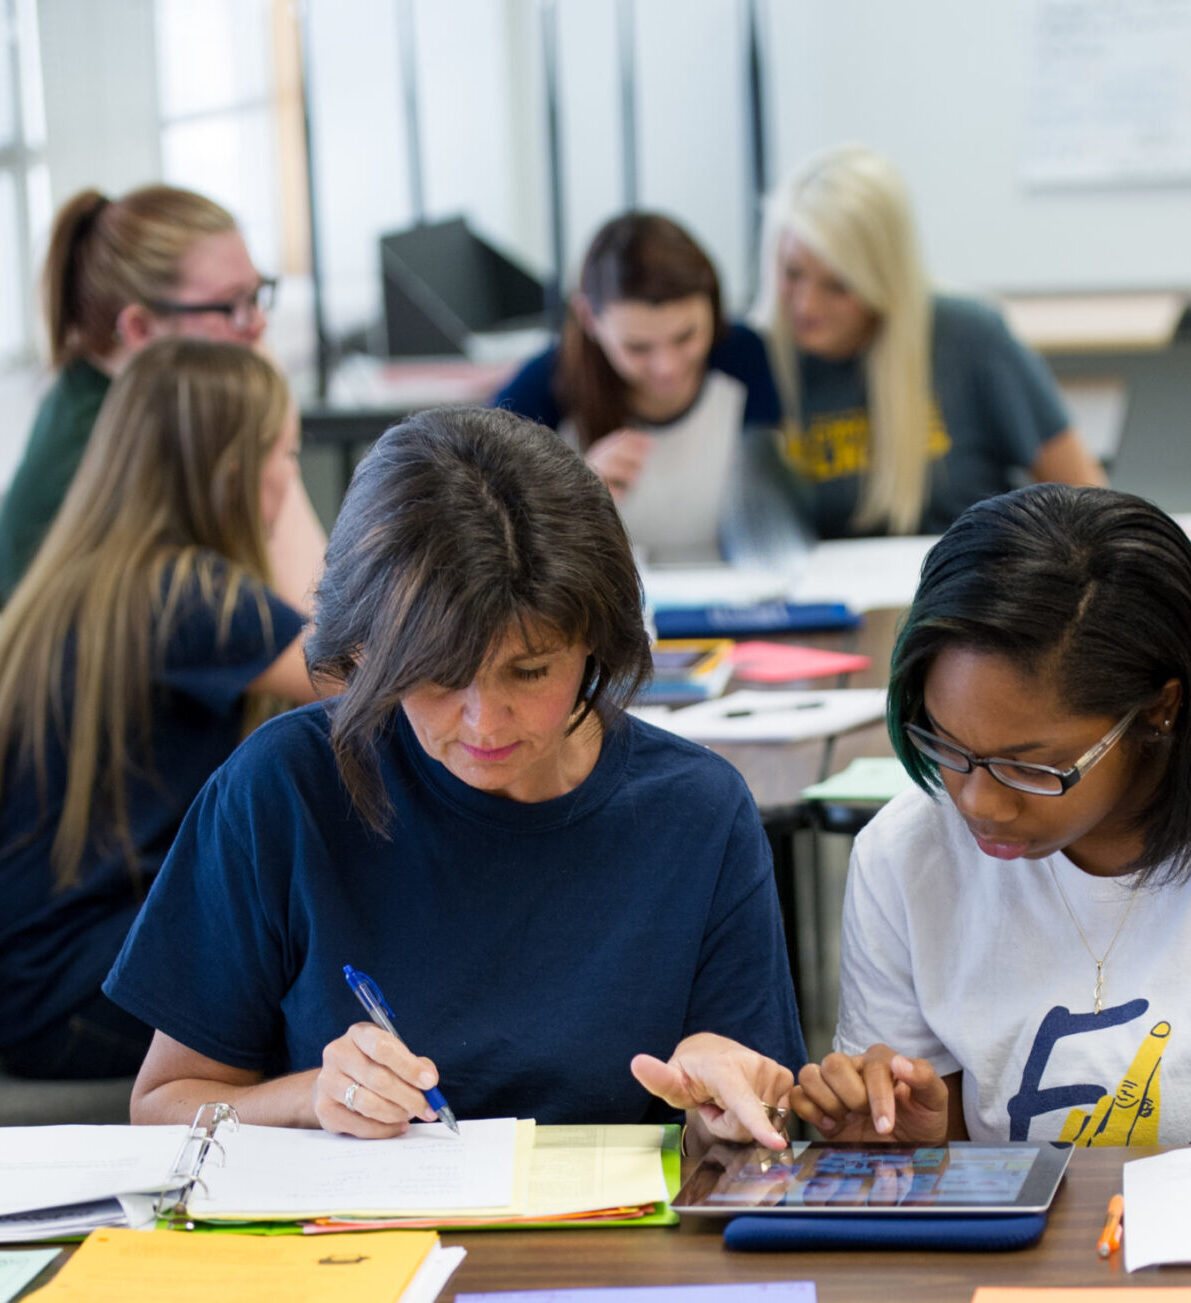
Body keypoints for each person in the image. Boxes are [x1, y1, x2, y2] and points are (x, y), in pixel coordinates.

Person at [105, 405, 806, 1148]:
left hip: (612, 1249)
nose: (485, 723)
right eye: (438, 678)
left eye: (529, 671)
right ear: (368, 653)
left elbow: (763, 1127)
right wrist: (311, 1096)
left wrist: (717, 1105)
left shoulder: (695, 812)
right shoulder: (283, 789)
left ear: (597, 639)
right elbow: (162, 1107)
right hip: (351, 1252)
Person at [792, 484, 1191, 1146]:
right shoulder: (904, 854)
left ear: (1159, 707)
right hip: (1016, 1254)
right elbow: (926, 1190)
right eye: (945, 744)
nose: (977, 803)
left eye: (1030, 766)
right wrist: (907, 1145)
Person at [0, 338, 317, 1080]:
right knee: (332, 986)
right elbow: (382, 681)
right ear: (237, 472)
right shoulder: (192, 595)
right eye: (288, 456)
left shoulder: (92, 578)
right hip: (77, 989)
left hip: (36, 978)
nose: (288, 478)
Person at [0, 183, 325, 607]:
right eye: (231, 306)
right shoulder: (114, 446)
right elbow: (310, 629)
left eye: (257, 295)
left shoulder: (106, 393)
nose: (258, 325)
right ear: (140, 330)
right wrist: (272, 426)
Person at [756, 145, 1107, 538]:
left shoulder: (970, 337)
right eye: (792, 273)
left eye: (838, 286)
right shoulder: (755, 358)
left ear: (883, 280)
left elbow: (1088, 502)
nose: (806, 304)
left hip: (968, 585)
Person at [494, 212, 791, 563]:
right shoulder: (544, 384)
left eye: (686, 336)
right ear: (589, 319)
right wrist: (569, 495)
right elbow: (488, 523)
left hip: (735, 582)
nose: (666, 367)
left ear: (712, 307)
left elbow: (768, 501)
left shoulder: (744, 358)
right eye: (637, 347)